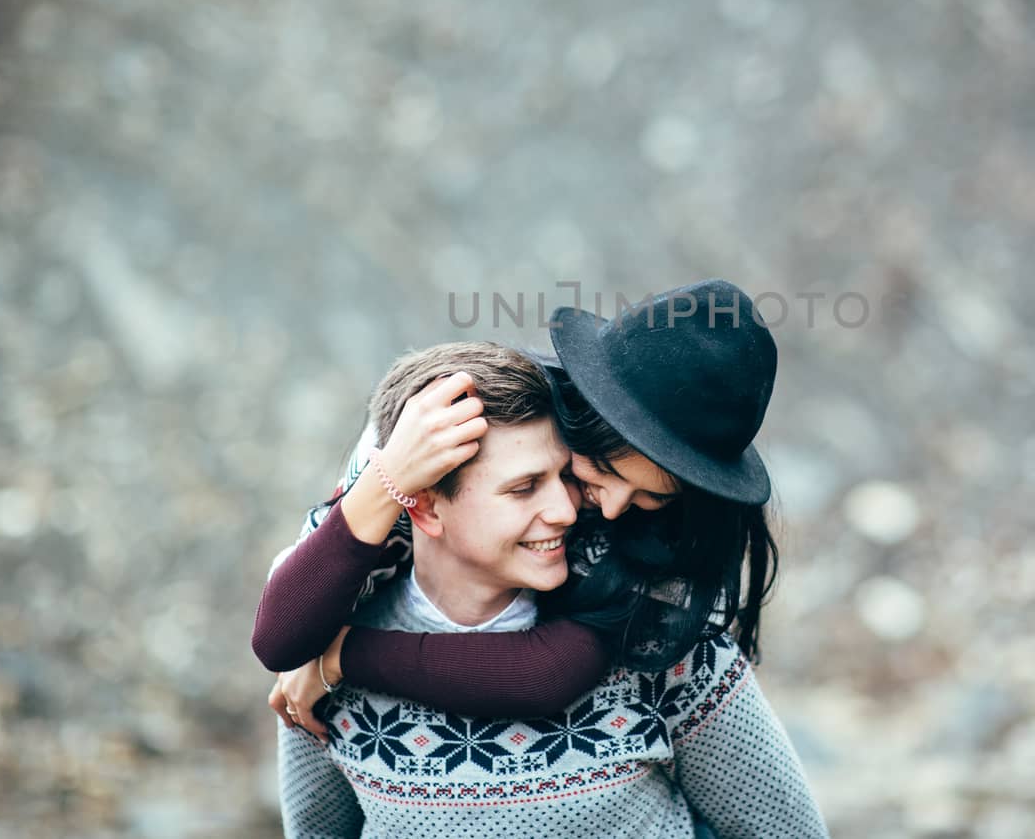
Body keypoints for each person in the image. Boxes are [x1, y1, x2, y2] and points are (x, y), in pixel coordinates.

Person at [253, 281, 827, 836]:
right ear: (581, 412)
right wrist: (385, 480)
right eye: (602, 472)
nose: (607, 508)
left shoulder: (668, 560)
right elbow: (281, 637)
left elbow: (545, 675)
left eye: (654, 493)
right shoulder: (438, 444)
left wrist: (337, 657)